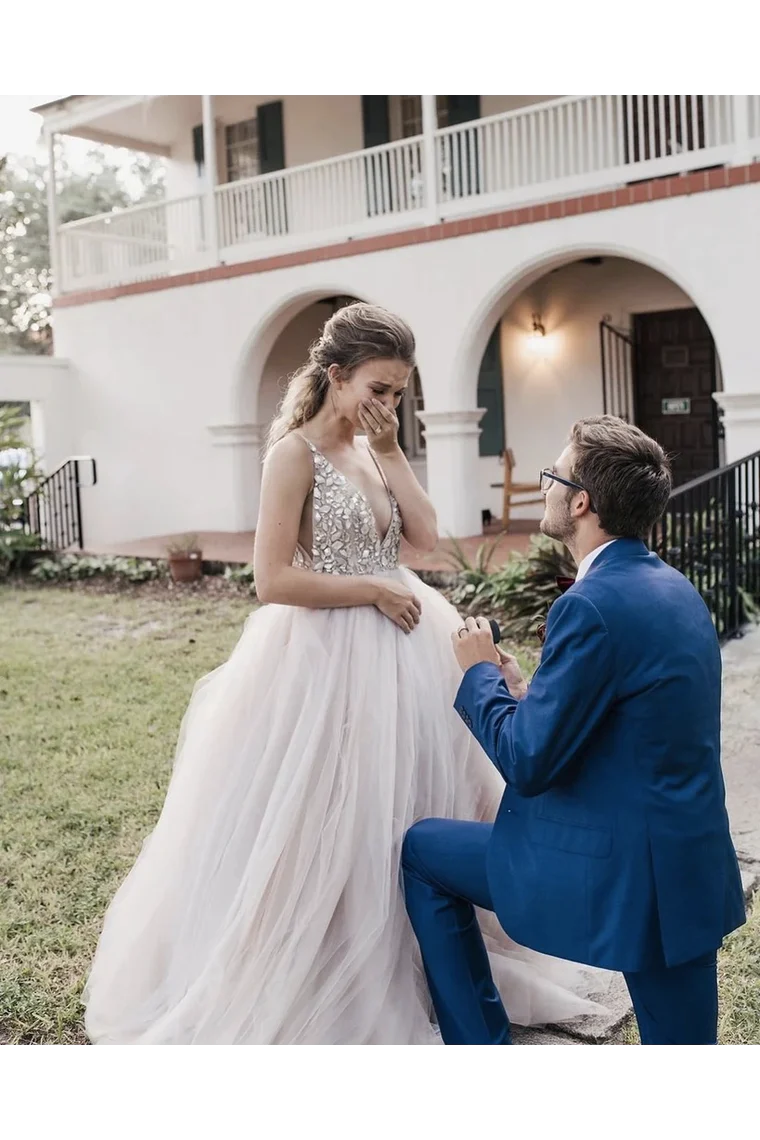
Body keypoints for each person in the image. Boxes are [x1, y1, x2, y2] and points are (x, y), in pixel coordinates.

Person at [83, 304, 612, 1047]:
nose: (388, 404)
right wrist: (369, 589)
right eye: (378, 388)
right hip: (325, 655)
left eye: (399, 392)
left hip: (407, 641)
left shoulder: (374, 449)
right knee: (335, 807)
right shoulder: (292, 455)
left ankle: (425, 949)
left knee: (412, 794)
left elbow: (427, 541)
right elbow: (270, 579)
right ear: (335, 376)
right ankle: (334, 953)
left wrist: (393, 452)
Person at [401, 415, 746, 1048]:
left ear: (581, 500)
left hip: (616, 869)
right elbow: (633, 718)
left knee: (423, 851)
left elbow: (528, 761)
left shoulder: (588, 604)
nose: (548, 488)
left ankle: (481, 1047)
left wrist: (479, 675)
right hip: (688, 862)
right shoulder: (675, 590)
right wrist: (525, 688)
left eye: (553, 475)